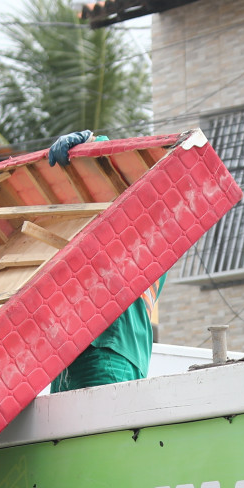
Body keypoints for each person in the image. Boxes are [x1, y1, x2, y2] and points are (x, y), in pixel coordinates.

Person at [43, 129, 163, 392]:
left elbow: (119, 166)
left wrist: (94, 144)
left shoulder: (148, 223)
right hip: (72, 356)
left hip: (110, 350)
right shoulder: (103, 225)